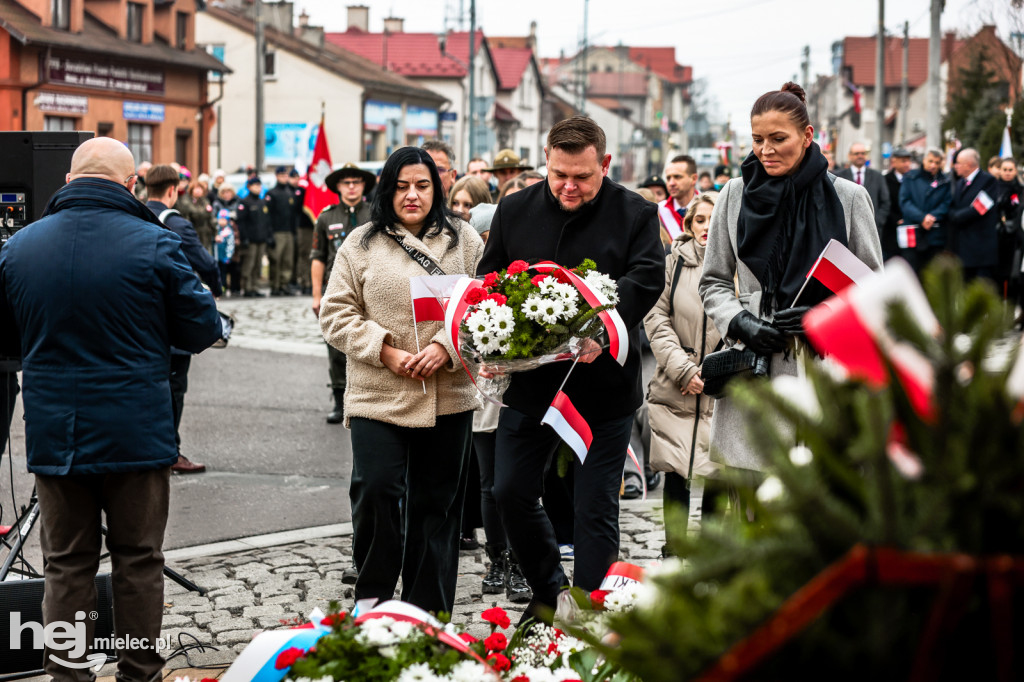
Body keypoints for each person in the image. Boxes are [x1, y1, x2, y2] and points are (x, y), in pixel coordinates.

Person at [0, 137, 222, 682]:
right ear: (130, 186)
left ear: (69, 182)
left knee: (66, 563)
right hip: (136, 430)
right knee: (138, 559)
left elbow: (6, 342)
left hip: (57, 433)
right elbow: (203, 328)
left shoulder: (18, 248)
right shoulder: (155, 242)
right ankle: (138, 672)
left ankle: (69, 676)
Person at [477, 115, 665, 621]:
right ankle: (548, 593)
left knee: (594, 507)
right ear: (546, 160)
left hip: (603, 389)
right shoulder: (514, 209)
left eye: (581, 176)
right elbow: (488, 278)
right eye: (559, 173)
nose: (568, 186)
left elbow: (648, 278)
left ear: (604, 164)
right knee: (510, 490)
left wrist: (603, 325)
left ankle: (590, 612)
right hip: (533, 384)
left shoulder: (636, 213)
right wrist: (494, 333)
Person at [319, 147, 483, 614]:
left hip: (446, 394)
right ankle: (372, 601)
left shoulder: (465, 242)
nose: (412, 195)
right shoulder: (360, 243)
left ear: (439, 188)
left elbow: (488, 310)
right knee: (376, 490)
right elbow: (335, 314)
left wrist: (446, 350)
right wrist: (385, 351)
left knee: (436, 506)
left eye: (423, 185)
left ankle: (426, 612)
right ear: (386, 189)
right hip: (378, 393)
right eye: (401, 185)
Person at [699, 82, 883, 476]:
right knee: (755, 504)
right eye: (758, 140)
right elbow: (713, 280)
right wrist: (739, 321)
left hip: (826, 366)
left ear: (807, 136)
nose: (766, 150)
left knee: (824, 492)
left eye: (778, 138)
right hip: (754, 364)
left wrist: (824, 313)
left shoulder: (848, 197)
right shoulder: (733, 194)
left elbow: (872, 289)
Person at [645, 192, 723, 547]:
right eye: (699, 220)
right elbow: (657, 318)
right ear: (689, 224)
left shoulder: (740, 265)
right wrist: (682, 368)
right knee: (676, 472)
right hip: (676, 385)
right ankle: (673, 550)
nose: (706, 227)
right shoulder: (672, 264)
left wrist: (714, 372)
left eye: (713, 219)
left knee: (718, 474)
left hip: (720, 388)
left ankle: (707, 554)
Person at [145, 164, 222, 475]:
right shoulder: (176, 223)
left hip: (141, 318)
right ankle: (170, 452)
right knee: (174, 386)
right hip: (171, 318)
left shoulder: (133, 215)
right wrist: (215, 290)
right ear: (173, 191)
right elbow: (204, 261)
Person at [311, 163, 376, 425]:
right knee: (337, 346)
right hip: (336, 288)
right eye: (346, 182)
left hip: (371, 288)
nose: (351, 187)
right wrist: (317, 295)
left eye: (356, 182)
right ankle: (340, 401)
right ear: (337, 187)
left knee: (370, 340)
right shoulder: (326, 217)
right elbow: (318, 257)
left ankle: (369, 398)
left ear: (363, 186)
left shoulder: (375, 214)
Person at [948, 148, 1001, 284]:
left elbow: (979, 208)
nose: (955, 166)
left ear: (969, 164)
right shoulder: (960, 183)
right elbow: (953, 205)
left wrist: (955, 216)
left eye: (958, 163)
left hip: (980, 250)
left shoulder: (989, 181)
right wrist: (952, 213)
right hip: (963, 250)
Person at [898, 148, 952, 274]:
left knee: (932, 272)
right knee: (911, 271)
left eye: (937, 163)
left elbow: (946, 203)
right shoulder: (910, 177)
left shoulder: (945, 181)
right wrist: (922, 217)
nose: (933, 165)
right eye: (931, 161)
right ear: (924, 160)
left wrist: (932, 216)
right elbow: (905, 202)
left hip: (934, 232)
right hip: (912, 231)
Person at [836, 142, 890, 236]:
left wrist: (877, 222)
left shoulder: (877, 176)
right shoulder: (839, 177)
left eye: (863, 153)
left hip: (872, 230)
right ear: (849, 156)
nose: (860, 156)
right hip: (846, 230)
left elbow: (885, 202)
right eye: (856, 153)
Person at [236, 177, 274, 297]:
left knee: (258, 264)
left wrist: (268, 236)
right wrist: (244, 238)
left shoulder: (262, 202)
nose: (258, 188)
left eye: (259, 185)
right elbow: (241, 222)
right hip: (250, 239)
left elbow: (267, 221)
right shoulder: (245, 202)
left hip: (261, 238)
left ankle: (254, 286)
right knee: (249, 264)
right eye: (255, 185)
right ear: (249, 187)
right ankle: (247, 287)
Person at [267, 166, 297, 296]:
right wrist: (269, 234)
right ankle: (275, 286)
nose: (284, 178)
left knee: (287, 261)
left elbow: (294, 215)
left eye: (286, 175)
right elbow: (267, 216)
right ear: (277, 176)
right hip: (276, 232)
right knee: (276, 260)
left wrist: (294, 231)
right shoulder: (272, 193)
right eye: (282, 175)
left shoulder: (290, 193)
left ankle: (284, 285)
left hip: (288, 231)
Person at [881, 147, 913, 261]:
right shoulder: (885, 180)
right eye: (903, 161)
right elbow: (883, 203)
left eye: (908, 161)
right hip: (891, 232)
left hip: (910, 230)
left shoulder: (913, 179)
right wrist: (896, 219)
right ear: (894, 162)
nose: (907, 164)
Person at [213, 183, 243, 295]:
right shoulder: (217, 204)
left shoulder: (237, 202)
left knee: (235, 264)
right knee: (222, 268)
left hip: (234, 236)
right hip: (222, 238)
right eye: (224, 192)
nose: (227, 194)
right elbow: (214, 219)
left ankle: (236, 287)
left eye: (229, 191)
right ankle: (223, 286)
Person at [659, 155, 697, 240]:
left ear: (694, 178)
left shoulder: (710, 207)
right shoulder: (658, 211)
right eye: (668, 178)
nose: (671, 183)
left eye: (677, 177)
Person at [290, 169, 315, 295]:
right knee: (305, 255)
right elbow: (296, 207)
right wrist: (304, 190)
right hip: (305, 226)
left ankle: (314, 282)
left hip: (316, 225)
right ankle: (305, 282)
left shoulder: (318, 187)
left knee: (316, 256)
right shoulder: (302, 188)